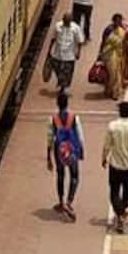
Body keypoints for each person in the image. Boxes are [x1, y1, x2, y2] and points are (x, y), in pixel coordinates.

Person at [104, 99, 128, 234]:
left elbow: (107, 145)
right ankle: (123, 210)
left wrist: (104, 158)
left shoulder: (112, 126)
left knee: (114, 192)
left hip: (115, 164)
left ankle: (120, 213)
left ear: (119, 112)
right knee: (127, 188)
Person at [47, 91, 85, 220]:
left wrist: (49, 157)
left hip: (59, 150)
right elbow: (80, 135)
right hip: (72, 149)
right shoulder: (74, 117)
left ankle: (61, 202)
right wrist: (81, 150)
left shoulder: (53, 118)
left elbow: (50, 138)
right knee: (74, 176)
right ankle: (69, 201)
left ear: (57, 104)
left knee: (60, 175)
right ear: (67, 103)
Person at [46, 15, 84, 93]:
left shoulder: (76, 28)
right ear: (63, 20)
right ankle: (61, 81)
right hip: (58, 54)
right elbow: (53, 38)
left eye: (68, 22)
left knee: (67, 73)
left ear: (71, 21)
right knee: (57, 70)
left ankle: (63, 87)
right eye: (65, 21)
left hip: (69, 55)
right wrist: (49, 50)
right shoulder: (58, 26)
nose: (66, 23)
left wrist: (78, 52)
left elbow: (80, 41)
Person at [97, 15, 128, 100]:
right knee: (112, 72)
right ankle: (109, 89)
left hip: (119, 53)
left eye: (120, 21)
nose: (118, 22)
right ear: (113, 21)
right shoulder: (108, 30)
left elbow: (124, 42)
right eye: (117, 21)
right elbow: (103, 41)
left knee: (118, 73)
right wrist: (100, 54)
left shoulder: (122, 30)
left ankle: (115, 92)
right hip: (109, 53)